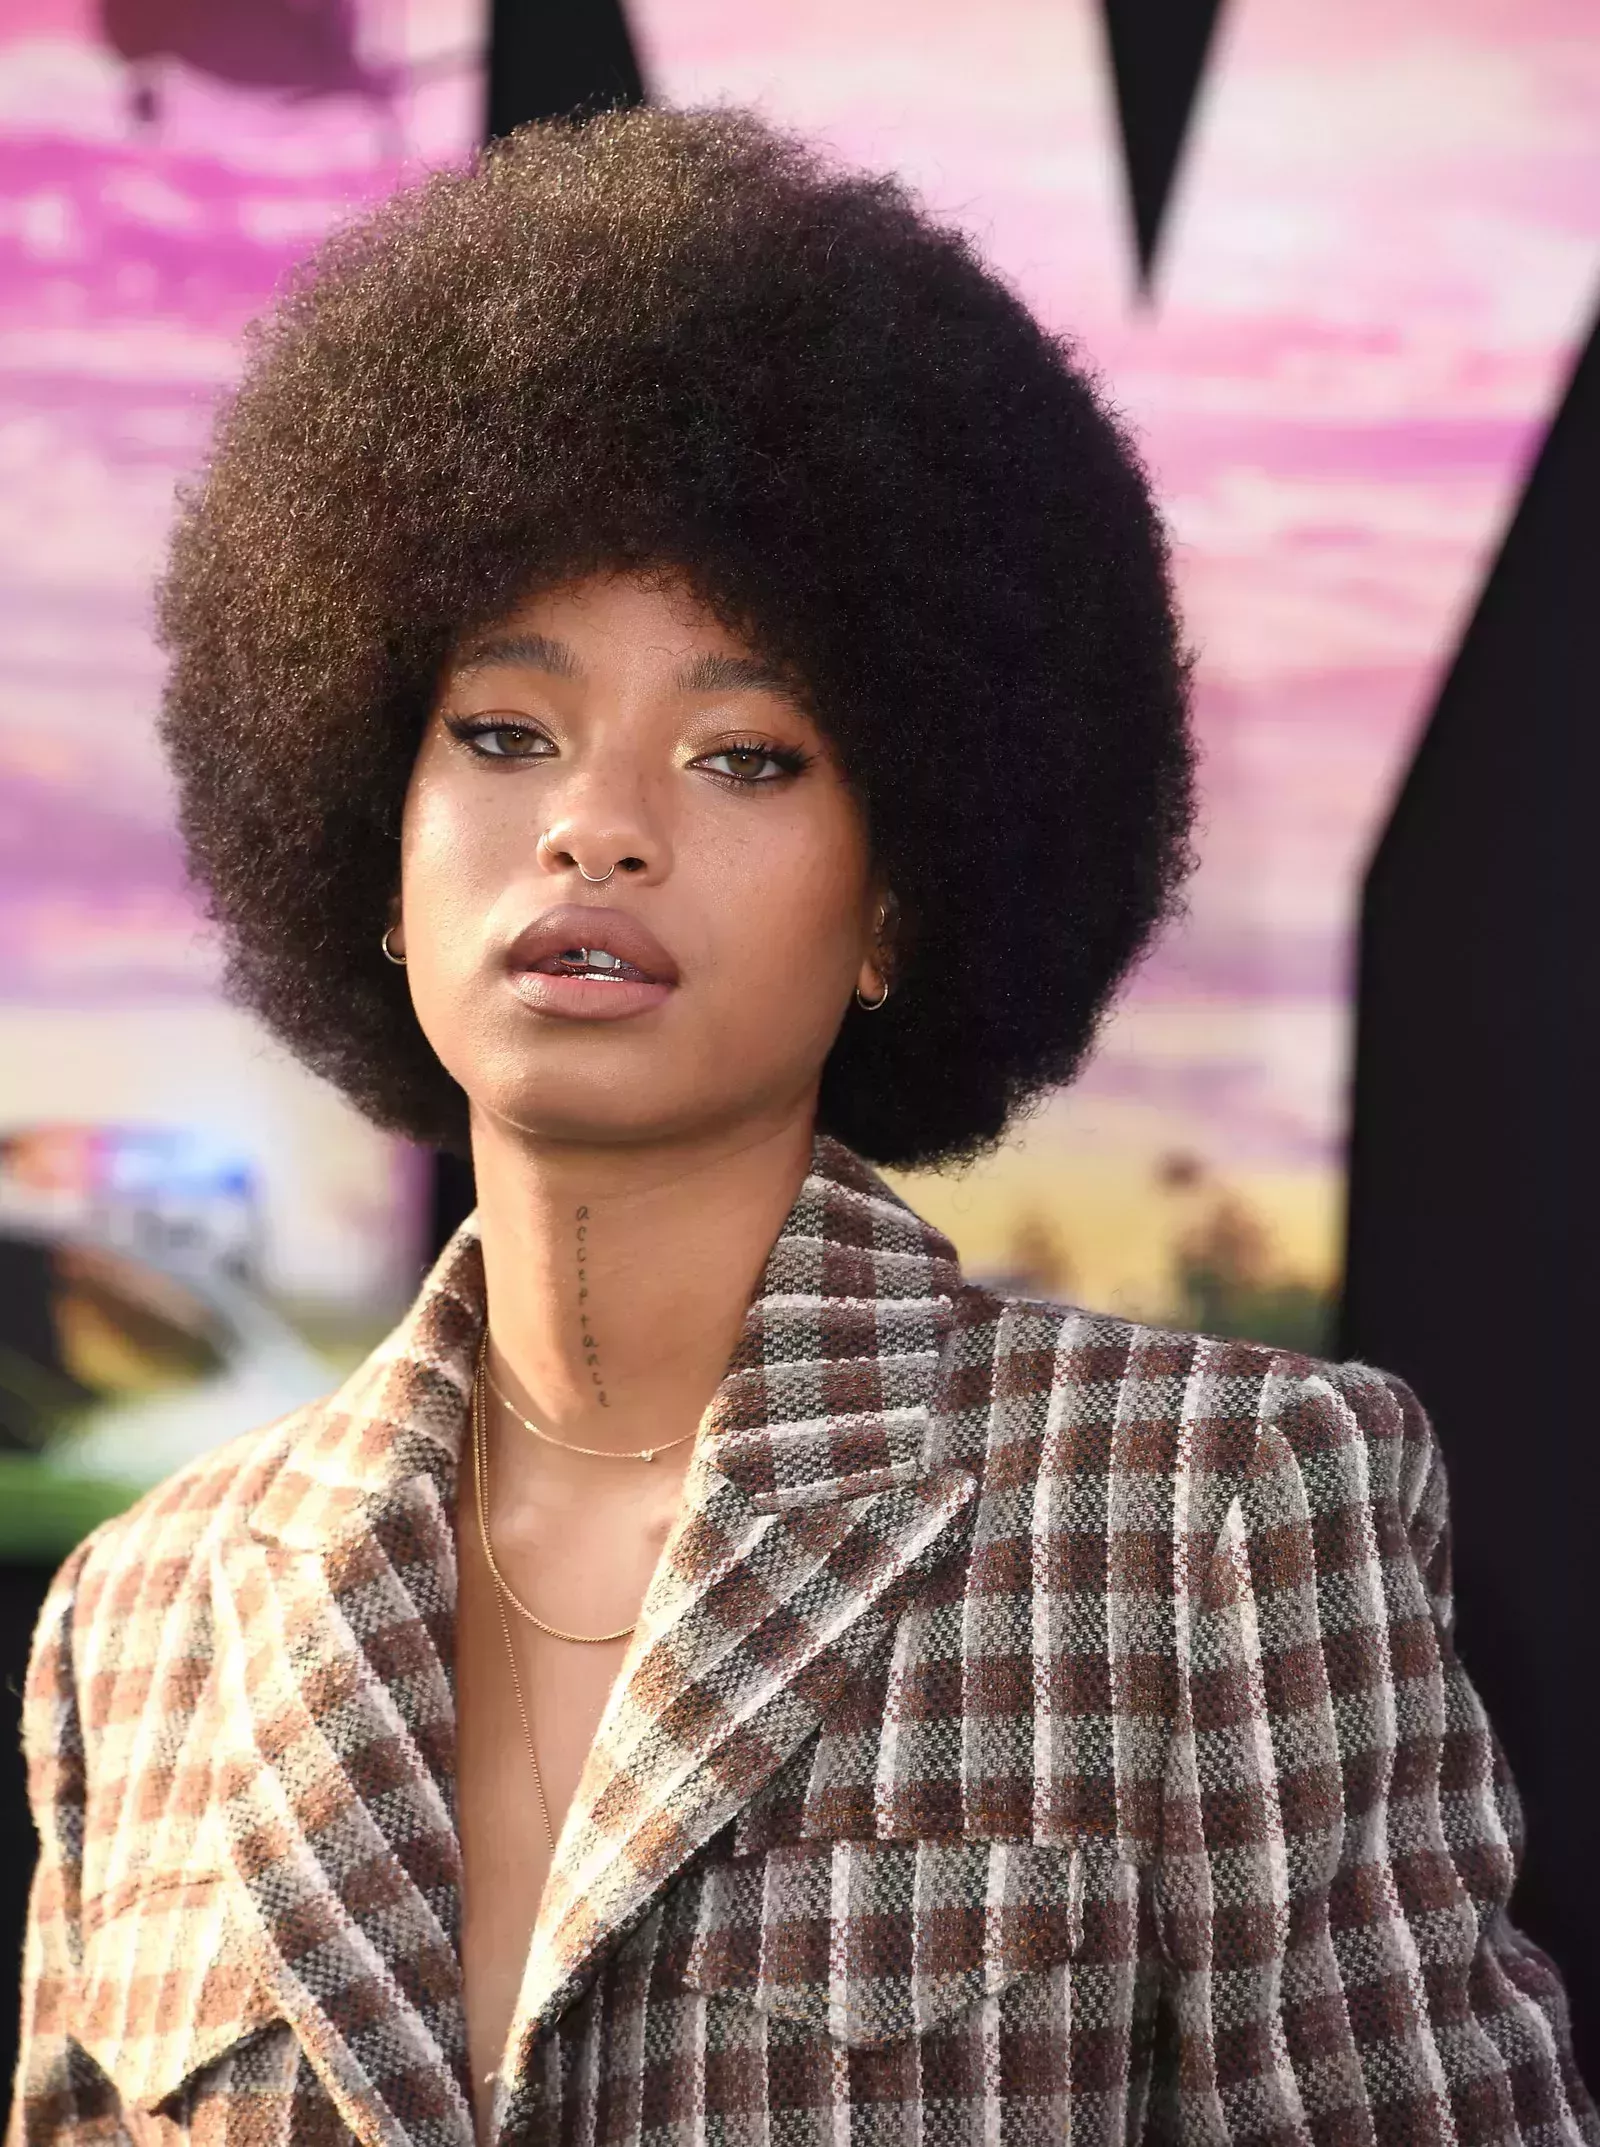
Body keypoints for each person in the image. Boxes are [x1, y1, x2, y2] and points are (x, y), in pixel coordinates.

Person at [9, 106, 1592, 2147]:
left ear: (898, 903)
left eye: (744, 753)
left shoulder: (1211, 1515)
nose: (596, 824)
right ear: (368, 846)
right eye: (504, 732)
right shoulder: (141, 1620)